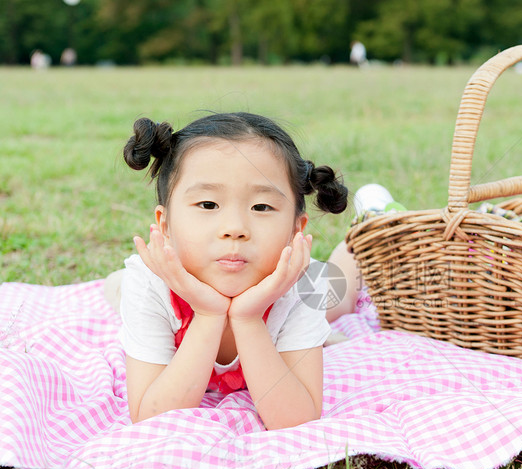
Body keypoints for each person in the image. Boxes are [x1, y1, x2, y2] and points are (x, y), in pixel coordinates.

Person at [113, 112, 353, 429]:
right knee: (115, 289)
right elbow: (151, 419)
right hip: (166, 292)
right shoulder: (149, 284)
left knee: (341, 297)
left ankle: (362, 236)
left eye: (261, 207)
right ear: (165, 225)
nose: (235, 229)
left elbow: (296, 419)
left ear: (296, 229)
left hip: (284, 287)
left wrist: (248, 318)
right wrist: (209, 315)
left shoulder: (299, 285)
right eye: (208, 204)